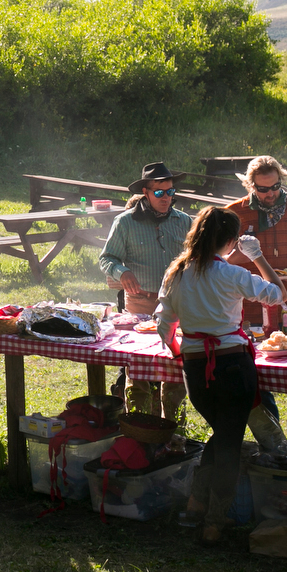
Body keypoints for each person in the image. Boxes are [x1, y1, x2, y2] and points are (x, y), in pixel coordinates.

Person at [156, 207, 285, 542]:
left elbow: (164, 322)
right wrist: (257, 258)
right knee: (228, 441)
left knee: (223, 435)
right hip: (232, 366)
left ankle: (196, 506)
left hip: (196, 368)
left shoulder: (177, 273)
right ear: (229, 240)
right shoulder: (229, 273)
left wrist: (175, 349)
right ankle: (214, 521)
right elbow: (278, 295)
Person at [226, 155, 287, 443]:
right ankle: (275, 444)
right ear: (251, 186)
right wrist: (244, 251)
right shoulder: (234, 214)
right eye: (263, 189)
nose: (270, 194)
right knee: (257, 377)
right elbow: (220, 259)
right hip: (250, 306)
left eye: (275, 187)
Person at [98, 162, 194, 420]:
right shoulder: (125, 222)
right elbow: (107, 258)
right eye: (160, 193)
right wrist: (122, 272)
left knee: (174, 366)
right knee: (137, 366)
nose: (166, 198)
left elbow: (198, 257)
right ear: (146, 192)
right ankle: (138, 426)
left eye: (171, 192)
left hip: (177, 303)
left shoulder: (184, 221)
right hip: (140, 303)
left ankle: (172, 427)